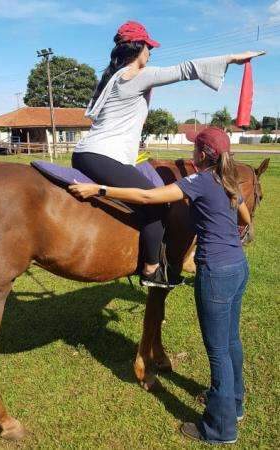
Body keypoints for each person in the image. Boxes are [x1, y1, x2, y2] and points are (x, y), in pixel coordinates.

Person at [70, 127, 251, 444]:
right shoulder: (230, 183)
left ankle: (221, 428)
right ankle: (234, 404)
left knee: (218, 350)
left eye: (195, 149)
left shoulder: (197, 182)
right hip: (239, 268)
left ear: (201, 156)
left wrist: (98, 189)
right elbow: (245, 217)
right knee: (232, 341)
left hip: (217, 276)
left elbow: (146, 196)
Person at [72, 19, 261, 288]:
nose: (150, 53)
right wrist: (232, 58)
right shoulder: (136, 75)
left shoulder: (112, 78)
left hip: (88, 153)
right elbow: (185, 69)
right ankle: (151, 268)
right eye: (149, 48)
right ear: (139, 48)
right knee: (158, 203)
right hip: (102, 155)